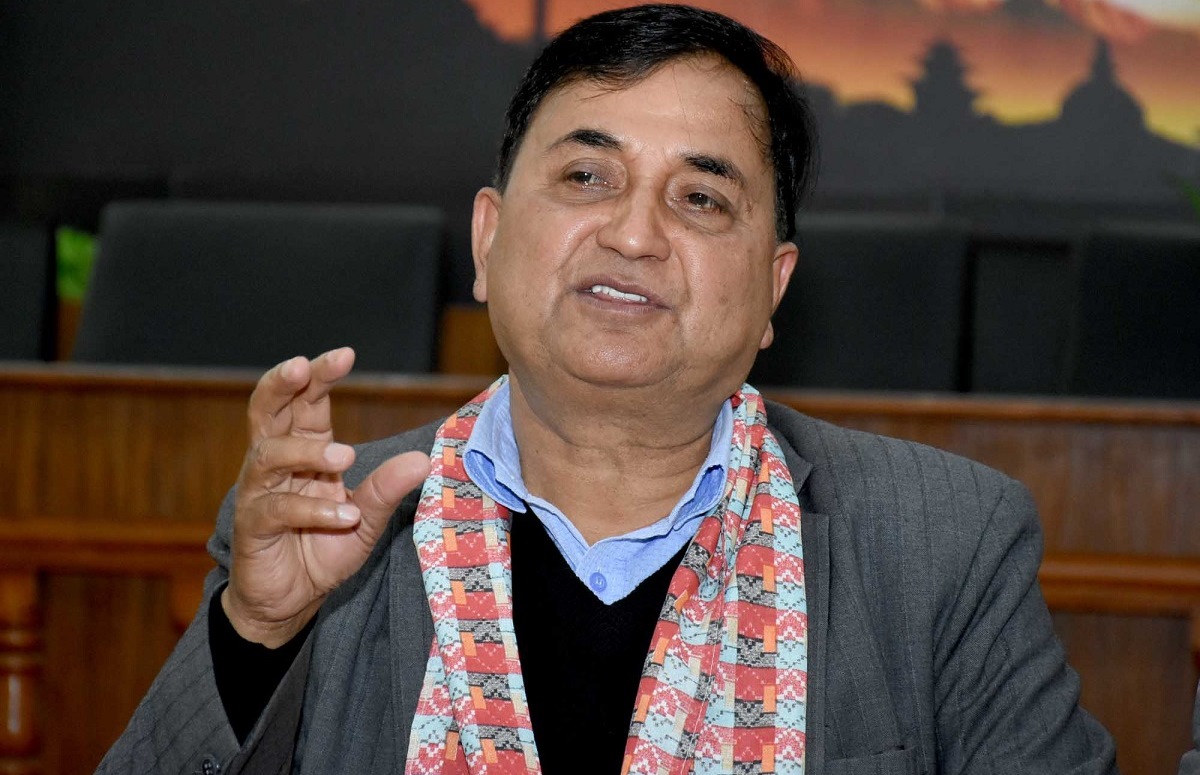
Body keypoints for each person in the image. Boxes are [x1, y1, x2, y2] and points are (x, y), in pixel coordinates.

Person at [98, 5, 1118, 773]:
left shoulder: (944, 547)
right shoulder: (329, 531)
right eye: (587, 177)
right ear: (489, 240)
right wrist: (255, 634)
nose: (634, 234)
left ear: (773, 290)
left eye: (701, 197)